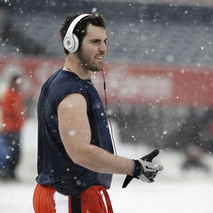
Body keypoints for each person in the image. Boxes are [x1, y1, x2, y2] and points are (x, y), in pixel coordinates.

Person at [33, 12, 163, 213]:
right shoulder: (72, 92)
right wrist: (133, 167)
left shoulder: (65, 82)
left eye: (104, 41)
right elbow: (80, 152)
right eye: (95, 42)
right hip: (71, 197)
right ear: (72, 44)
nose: (103, 48)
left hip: (71, 194)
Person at [0, 74, 25, 180]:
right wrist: (19, 114)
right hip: (9, 129)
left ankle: (11, 172)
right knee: (9, 152)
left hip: (15, 128)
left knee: (16, 153)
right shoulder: (9, 94)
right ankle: (6, 172)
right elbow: (8, 110)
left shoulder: (17, 94)